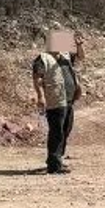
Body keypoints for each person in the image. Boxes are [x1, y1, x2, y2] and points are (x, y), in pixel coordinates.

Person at [33, 30, 85, 174]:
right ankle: (54, 165)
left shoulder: (65, 56)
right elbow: (37, 79)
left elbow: (81, 57)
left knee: (65, 130)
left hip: (68, 100)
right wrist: (40, 97)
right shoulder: (42, 59)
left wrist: (79, 45)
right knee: (56, 132)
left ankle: (57, 160)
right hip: (54, 100)